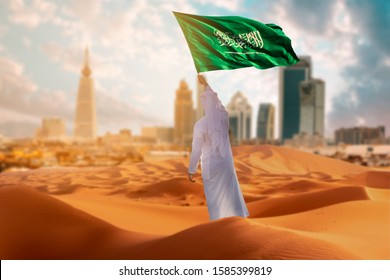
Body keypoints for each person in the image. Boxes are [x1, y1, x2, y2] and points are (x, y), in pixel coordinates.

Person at [188, 74, 249, 220]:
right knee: (230, 194)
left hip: (211, 167)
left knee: (215, 199)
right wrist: (206, 85)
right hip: (225, 164)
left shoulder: (200, 125)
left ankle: (218, 223)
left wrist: (191, 169)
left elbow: (196, 149)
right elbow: (217, 103)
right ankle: (237, 221)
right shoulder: (223, 119)